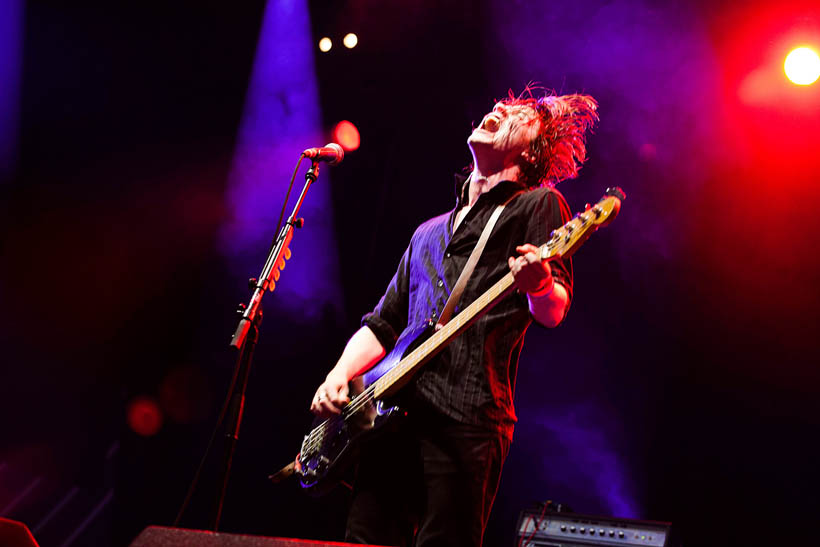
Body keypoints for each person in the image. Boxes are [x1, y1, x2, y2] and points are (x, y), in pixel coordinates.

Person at [309, 89, 599, 547]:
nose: (499, 108)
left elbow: (554, 310)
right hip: (391, 418)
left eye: (518, 115)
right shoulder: (428, 231)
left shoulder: (538, 205)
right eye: (499, 105)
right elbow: (383, 324)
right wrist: (339, 374)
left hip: (467, 417)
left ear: (531, 150)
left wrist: (539, 283)